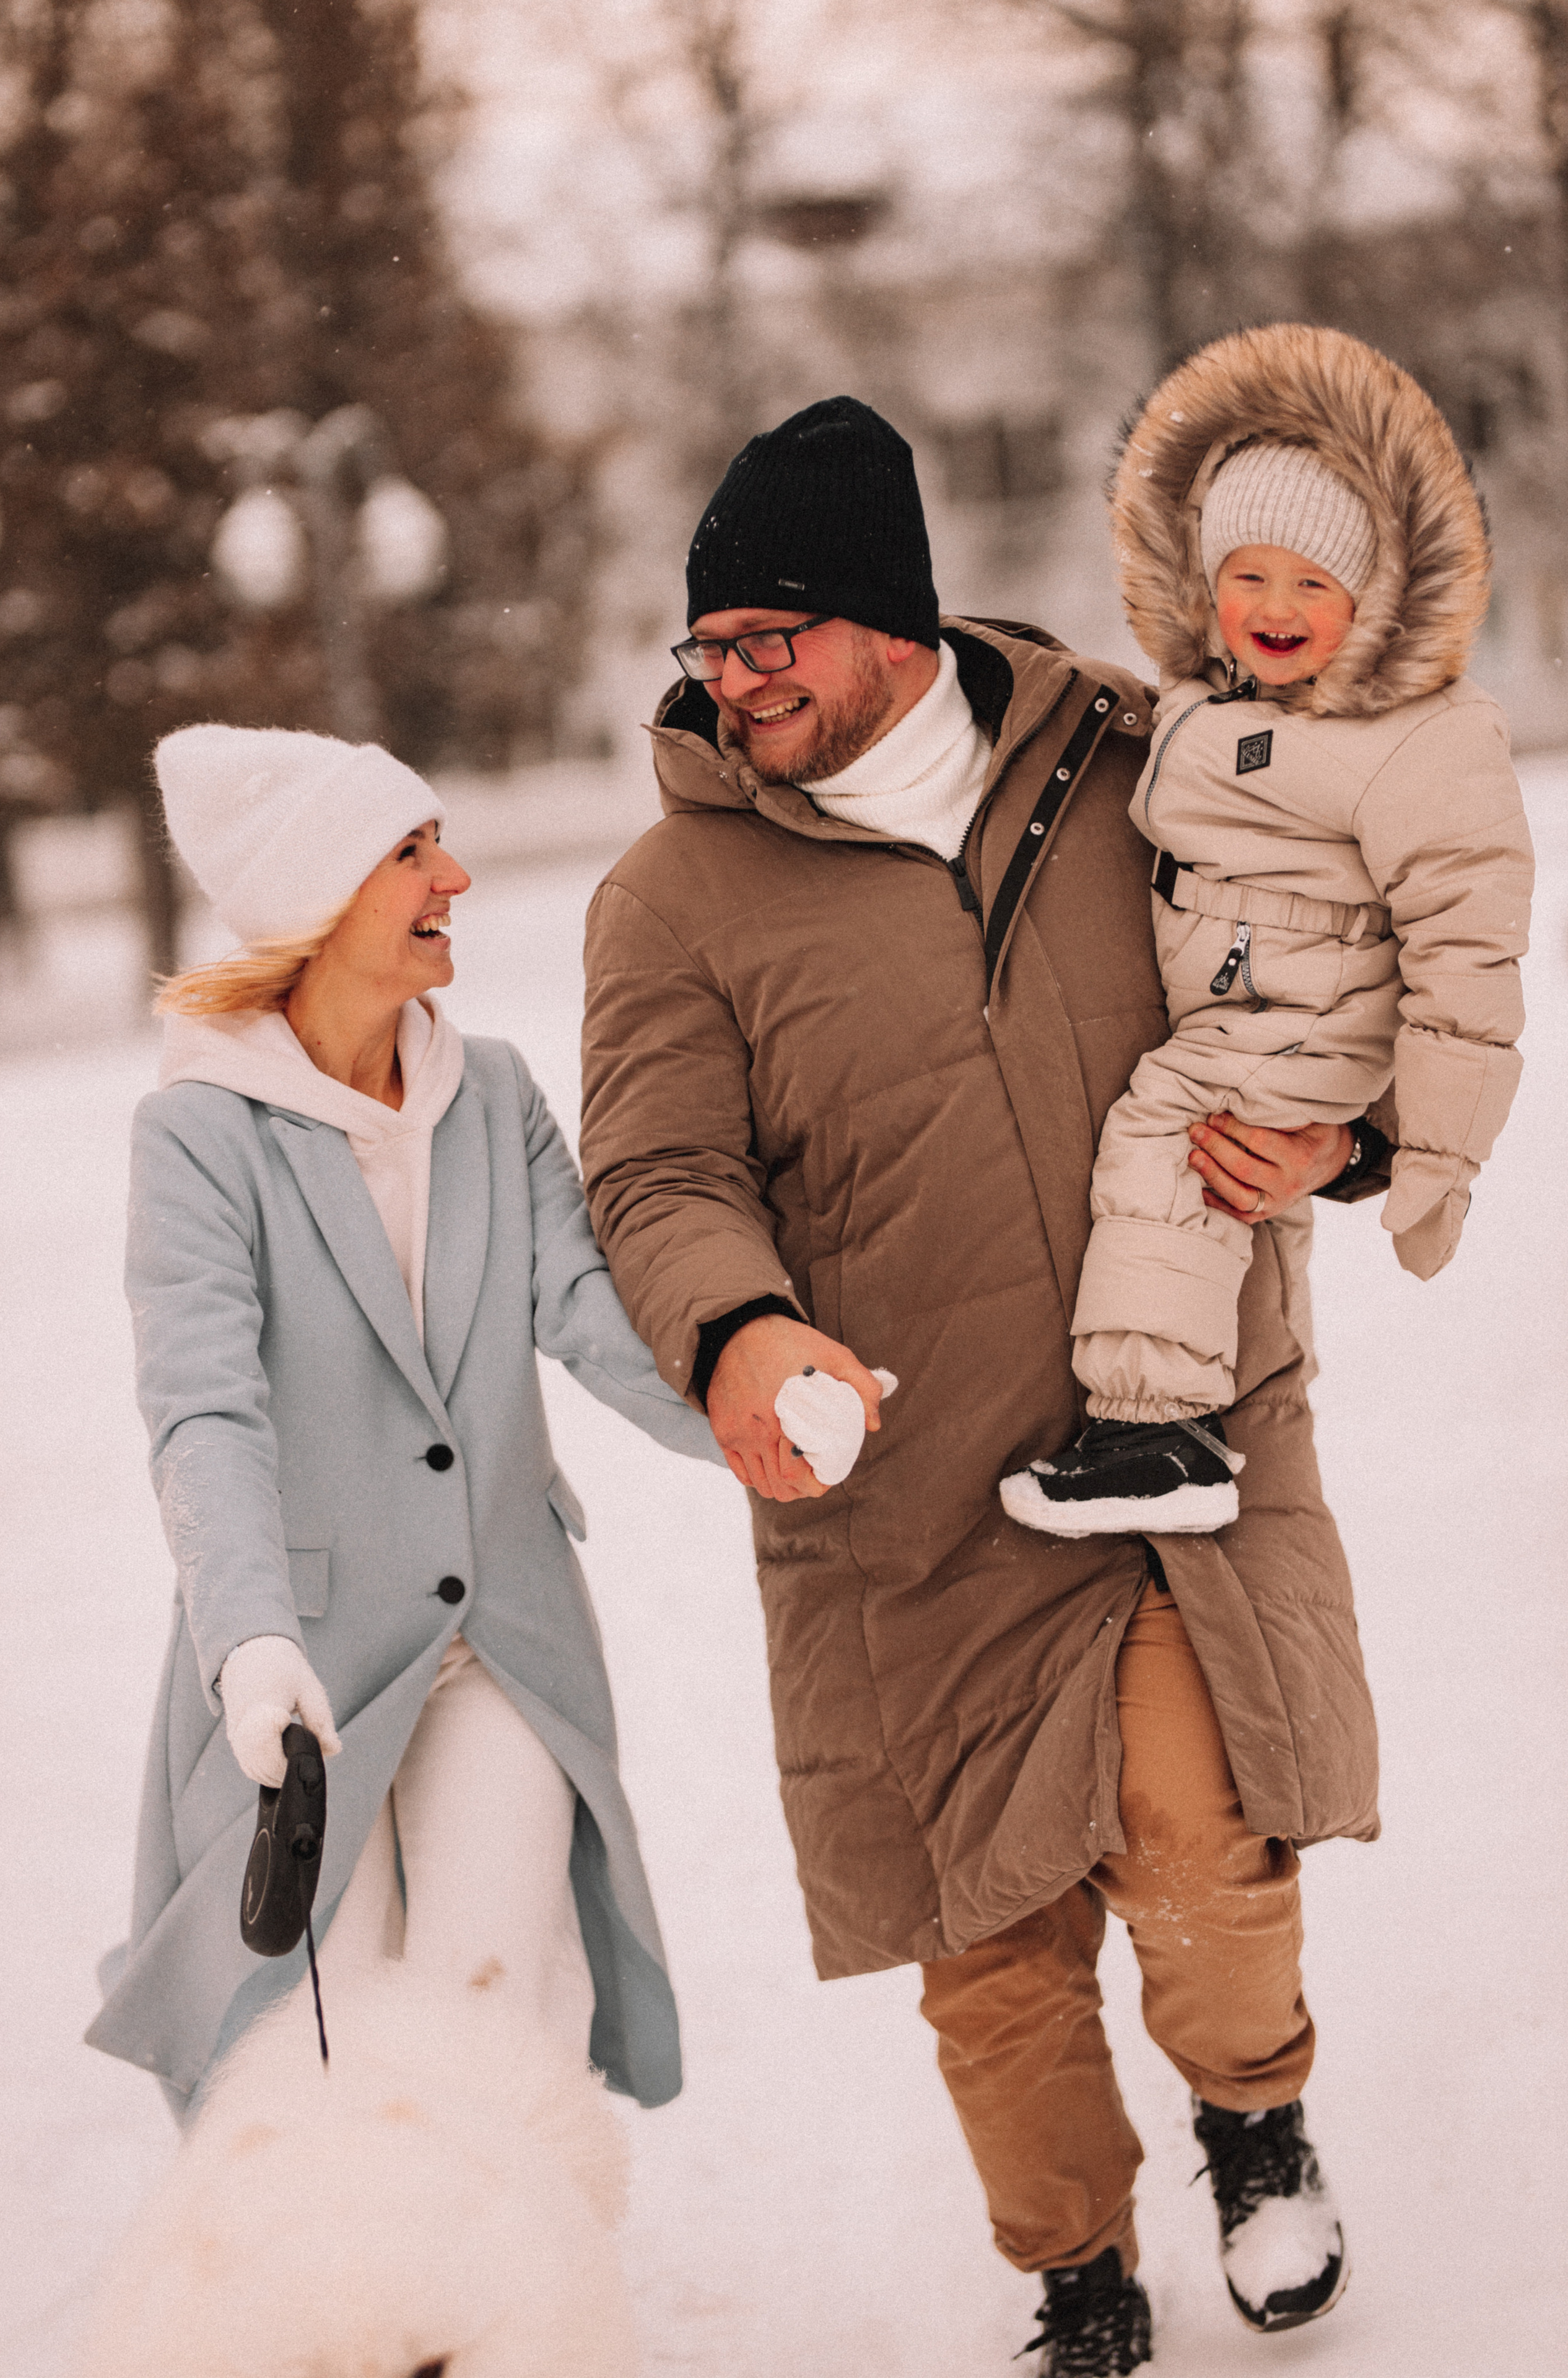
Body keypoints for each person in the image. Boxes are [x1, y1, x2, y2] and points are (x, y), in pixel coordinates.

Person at [580, 394, 1387, 2374]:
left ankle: (1255, 2118)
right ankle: (1078, 2269)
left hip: (1180, 1433)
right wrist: (738, 1326)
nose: (736, 678)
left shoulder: (1143, 766)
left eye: (773, 634)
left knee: (1202, 1835)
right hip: (905, 1506)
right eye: (711, 648)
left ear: (892, 618)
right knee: (994, 1955)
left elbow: (1325, 964)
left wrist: (1346, 1138)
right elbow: (660, 1171)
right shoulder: (674, 900)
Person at [83, 725, 721, 2374]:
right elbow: (203, 1416)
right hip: (297, 1664)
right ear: (316, 902)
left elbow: (582, 1307)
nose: (453, 881)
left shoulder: (486, 1092)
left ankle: (518, 2334)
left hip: (497, 1631)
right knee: (321, 2046)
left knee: (494, 2019)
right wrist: (248, 1647)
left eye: (441, 844)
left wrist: (748, 1409)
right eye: (411, 854)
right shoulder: (203, 1138)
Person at [1000, 324, 1531, 1538]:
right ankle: (1162, 1420)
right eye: (1246, 576)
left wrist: (1434, 1158)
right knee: (1177, 1134)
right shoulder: (1199, 705)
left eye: (1311, 583)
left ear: (1371, 596)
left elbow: (1467, 952)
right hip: (1252, 996)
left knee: (1164, 1131)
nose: (1274, 607)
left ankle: (1155, 1426)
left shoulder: (1420, 735)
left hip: (1311, 1013)